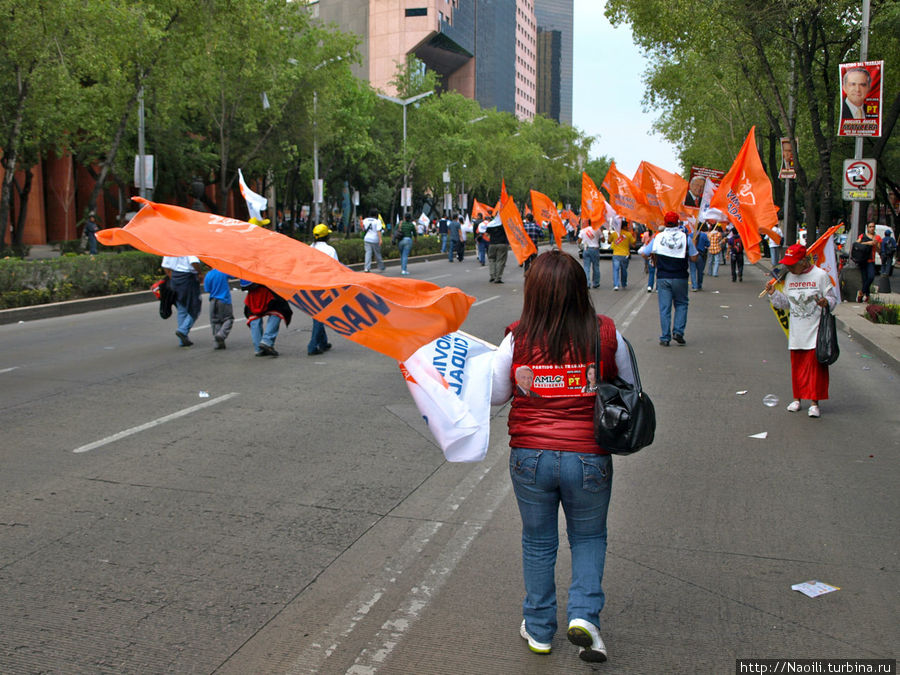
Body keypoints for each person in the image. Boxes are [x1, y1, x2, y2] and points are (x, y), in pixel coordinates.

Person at [490, 250, 636, 663]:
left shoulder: (516, 337)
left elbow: (499, 395)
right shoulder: (606, 333)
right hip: (589, 456)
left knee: (538, 542)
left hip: (530, 457)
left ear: (533, 292)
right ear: (580, 288)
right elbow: (627, 386)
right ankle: (585, 618)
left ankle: (538, 630)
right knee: (588, 538)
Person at [766, 244, 838, 418]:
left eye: (793, 264)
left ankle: (814, 402)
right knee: (797, 366)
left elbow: (832, 299)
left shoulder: (821, 276)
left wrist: (825, 302)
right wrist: (773, 293)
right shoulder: (789, 277)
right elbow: (785, 303)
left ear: (804, 261)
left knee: (814, 368)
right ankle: (797, 399)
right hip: (796, 330)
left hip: (816, 328)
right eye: (788, 265)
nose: (790, 268)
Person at [639, 211, 698, 346]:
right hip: (681, 277)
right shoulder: (686, 238)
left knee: (665, 308)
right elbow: (694, 258)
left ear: (665, 223)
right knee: (681, 304)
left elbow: (644, 253)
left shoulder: (658, 238)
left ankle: (665, 337)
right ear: (678, 222)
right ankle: (678, 331)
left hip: (663, 277)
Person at [307, 224, 339, 355]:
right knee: (320, 315)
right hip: (324, 285)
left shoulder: (308, 248)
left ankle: (323, 342)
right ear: (327, 236)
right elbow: (336, 269)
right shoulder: (330, 250)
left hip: (309, 285)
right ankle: (312, 346)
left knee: (318, 313)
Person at [242, 281, 292, 357]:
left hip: (252, 291)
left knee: (254, 317)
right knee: (279, 311)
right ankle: (267, 340)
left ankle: (258, 348)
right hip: (267, 289)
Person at [161, 255, 203, 347]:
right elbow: (193, 262)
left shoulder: (168, 248)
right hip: (188, 278)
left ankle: (182, 340)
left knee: (182, 308)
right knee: (195, 307)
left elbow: (165, 266)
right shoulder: (186, 246)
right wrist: (199, 273)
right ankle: (183, 330)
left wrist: (173, 277)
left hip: (175, 278)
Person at [203, 268, 234, 349]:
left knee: (216, 322)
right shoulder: (223, 271)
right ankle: (222, 334)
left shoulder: (208, 274)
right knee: (228, 319)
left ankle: (218, 344)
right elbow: (234, 276)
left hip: (213, 301)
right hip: (224, 300)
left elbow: (207, 289)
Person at [855, 222, 881, 302]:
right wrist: (868, 243)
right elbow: (857, 244)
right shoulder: (862, 236)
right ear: (867, 228)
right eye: (870, 227)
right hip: (863, 260)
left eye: (873, 227)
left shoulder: (877, 237)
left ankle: (861, 293)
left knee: (871, 277)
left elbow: (879, 250)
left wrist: (875, 244)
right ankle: (867, 296)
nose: (872, 228)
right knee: (865, 279)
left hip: (871, 260)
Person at [610, 222, 635, 290]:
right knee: (624, 270)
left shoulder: (614, 233)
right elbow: (633, 243)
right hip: (625, 255)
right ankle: (624, 283)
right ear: (623, 227)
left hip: (616, 254)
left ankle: (616, 285)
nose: (627, 227)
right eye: (626, 226)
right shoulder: (628, 234)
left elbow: (609, 241)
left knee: (616, 270)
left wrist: (610, 235)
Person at [578, 221, 601, 289]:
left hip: (586, 249)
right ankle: (596, 283)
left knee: (586, 267)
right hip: (595, 249)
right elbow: (603, 240)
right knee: (596, 267)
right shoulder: (598, 229)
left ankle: (587, 283)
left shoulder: (583, 230)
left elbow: (579, 241)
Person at [486, 216, 509, 283]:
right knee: (500, 261)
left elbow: (486, 234)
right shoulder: (504, 224)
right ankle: (498, 278)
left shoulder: (491, 224)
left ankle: (492, 276)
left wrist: (491, 238)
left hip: (492, 244)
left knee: (491, 260)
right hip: (502, 244)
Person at [361, 208, 385, 273]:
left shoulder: (365, 220)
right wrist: (380, 239)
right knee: (377, 253)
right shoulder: (377, 221)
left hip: (367, 238)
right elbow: (378, 231)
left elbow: (363, 229)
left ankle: (367, 268)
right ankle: (381, 266)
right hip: (375, 239)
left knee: (368, 253)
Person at [690, 223, 709, 291]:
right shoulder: (704, 235)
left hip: (692, 254)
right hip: (700, 254)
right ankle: (699, 284)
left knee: (693, 270)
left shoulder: (691, 235)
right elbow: (708, 244)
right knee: (700, 271)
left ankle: (694, 286)